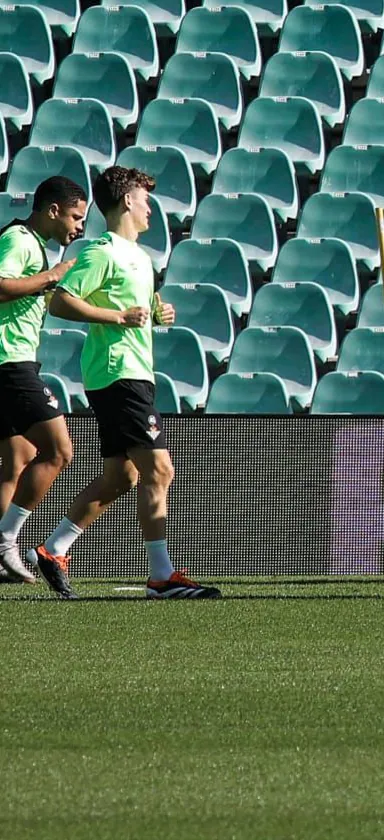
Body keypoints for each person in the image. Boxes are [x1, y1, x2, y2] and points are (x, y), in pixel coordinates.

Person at [26, 166, 221, 599]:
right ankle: (162, 575)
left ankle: (54, 548)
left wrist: (157, 311)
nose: (151, 207)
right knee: (160, 468)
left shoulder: (140, 257)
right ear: (127, 201)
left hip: (135, 371)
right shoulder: (102, 250)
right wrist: (118, 317)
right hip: (118, 373)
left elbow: (136, 306)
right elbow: (60, 301)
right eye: (145, 199)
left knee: (122, 475)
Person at [0, 177, 87, 583]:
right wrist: (50, 276)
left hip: (12, 362)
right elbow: (0, 286)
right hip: (10, 364)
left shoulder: (32, 244)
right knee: (59, 450)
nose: (79, 226)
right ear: (52, 210)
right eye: (75, 216)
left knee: (15, 462)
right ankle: (5, 541)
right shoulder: (19, 240)